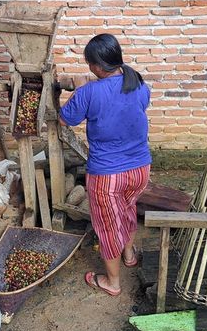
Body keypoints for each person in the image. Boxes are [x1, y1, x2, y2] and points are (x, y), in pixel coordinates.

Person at [58, 33, 151, 297]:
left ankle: (112, 283)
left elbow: (66, 120)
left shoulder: (88, 92)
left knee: (109, 226)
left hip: (108, 176)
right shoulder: (139, 84)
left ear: (97, 67)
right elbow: (133, 106)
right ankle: (129, 254)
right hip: (140, 170)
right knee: (128, 208)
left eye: (89, 64)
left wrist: (77, 91)